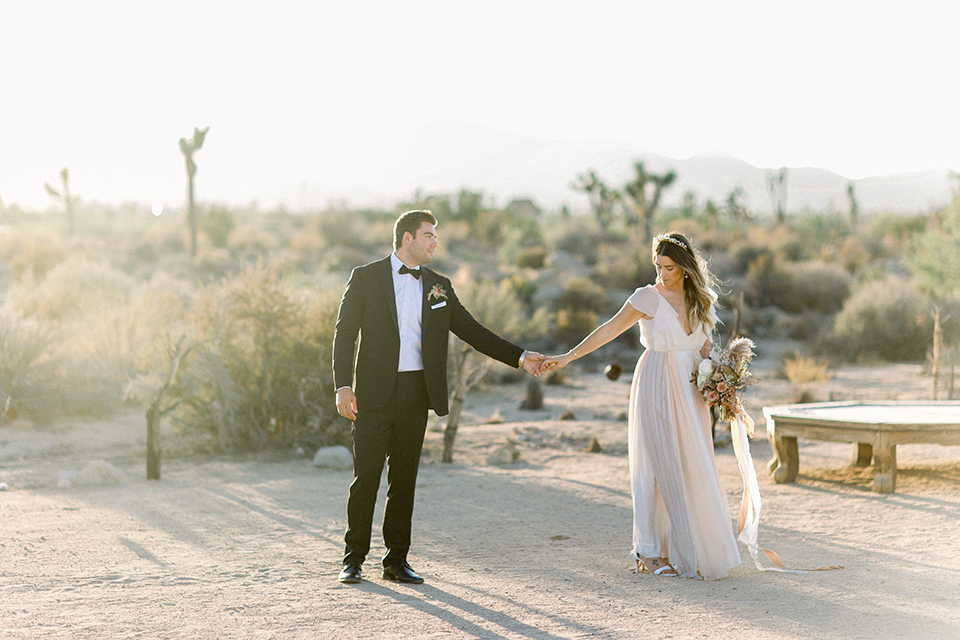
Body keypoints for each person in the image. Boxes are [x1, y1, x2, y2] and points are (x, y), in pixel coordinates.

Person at [332, 209, 546, 585]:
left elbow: (472, 331)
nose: (435, 241)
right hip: (373, 393)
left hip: (417, 393)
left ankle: (396, 562)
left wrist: (520, 357)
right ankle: (354, 559)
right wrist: (342, 385)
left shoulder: (439, 285)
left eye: (436, 235)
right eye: (429, 234)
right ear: (407, 238)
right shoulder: (365, 278)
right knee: (365, 477)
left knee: (404, 480)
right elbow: (344, 333)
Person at [541, 232, 740, 579]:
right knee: (655, 464)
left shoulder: (700, 299)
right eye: (659, 267)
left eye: (671, 268)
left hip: (692, 386)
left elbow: (703, 344)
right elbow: (608, 330)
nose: (663, 274)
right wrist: (566, 357)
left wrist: (726, 382)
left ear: (687, 269)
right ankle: (648, 551)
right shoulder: (647, 297)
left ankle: (687, 547)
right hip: (657, 380)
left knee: (693, 461)